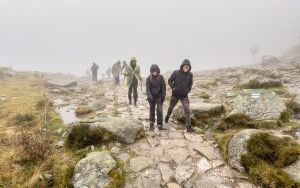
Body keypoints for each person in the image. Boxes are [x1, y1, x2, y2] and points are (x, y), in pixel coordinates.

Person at [165, 59, 194, 133]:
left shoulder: (190, 75)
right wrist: (173, 88)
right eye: (185, 66)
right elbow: (169, 80)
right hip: (175, 95)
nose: (186, 68)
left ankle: (188, 127)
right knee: (171, 107)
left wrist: (188, 90)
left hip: (184, 96)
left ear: (189, 67)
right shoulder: (176, 73)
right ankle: (167, 116)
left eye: (187, 67)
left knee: (187, 109)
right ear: (182, 66)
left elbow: (190, 83)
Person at [146, 64, 166, 131]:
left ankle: (159, 124)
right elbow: (147, 89)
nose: (154, 72)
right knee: (152, 109)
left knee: (159, 110)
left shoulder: (161, 77)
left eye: (156, 70)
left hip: (159, 96)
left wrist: (163, 95)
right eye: (153, 71)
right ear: (151, 71)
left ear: (158, 71)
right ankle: (151, 122)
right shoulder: (149, 78)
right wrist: (149, 96)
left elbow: (164, 87)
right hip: (151, 96)